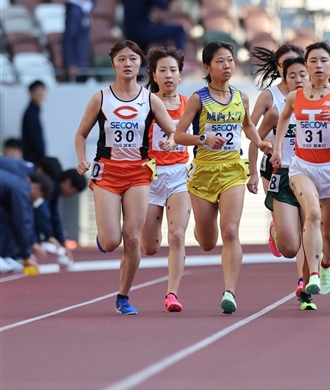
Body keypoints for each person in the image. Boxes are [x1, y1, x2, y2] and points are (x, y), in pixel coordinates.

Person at [74, 40, 178, 315]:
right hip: (107, 172)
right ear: (113, 64)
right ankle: (104, 235)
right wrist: (82, 159)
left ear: (140, 64)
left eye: (133, 59)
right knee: (111, 242)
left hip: (138, 173)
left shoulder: (149, 99)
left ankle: (123, 296)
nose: (128, 63)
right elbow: (81, 134)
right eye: (122, 59)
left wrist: (169, 141)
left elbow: (172, 131)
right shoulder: (101, 98)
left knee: (132, 238)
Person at [175, 41, 271, 314]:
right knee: (207, 242)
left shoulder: (241, 96)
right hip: (204, 172)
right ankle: (200, 229)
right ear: (207, 67)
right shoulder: (198, 98)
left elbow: (248, 126)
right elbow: (179, 135)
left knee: (230, 231)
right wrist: (203, 138)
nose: (226, 66)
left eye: (230, 60)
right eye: (220, 61)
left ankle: (229, 291)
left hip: (232, 169)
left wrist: (261, 143)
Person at [271, 41, 330, 310]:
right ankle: (311, 274)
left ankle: (325, 263)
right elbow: (283, 119)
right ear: (306, 65)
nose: (319, 66)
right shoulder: (295, 96)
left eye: (324, 61)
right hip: (302, 168)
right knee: (312, 213)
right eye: (313, 61)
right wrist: (277, 149)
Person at [246, 43, 307, 297]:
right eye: (285, 65)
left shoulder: (315, 95)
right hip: (275, 167)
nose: (293, 71)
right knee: (291, 233)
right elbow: (253, 132)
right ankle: (278, 226)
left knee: (308, 228)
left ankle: (304, 281)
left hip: (307, 168)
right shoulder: (271, 98)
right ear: (279, 69)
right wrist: (253, 169)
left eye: (297, 64)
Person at [256, 56, 318, 309]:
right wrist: (266, 148)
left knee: (310, 230)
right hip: (282, 176)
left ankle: (307, 286)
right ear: (285, 79)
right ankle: (277, 230)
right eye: (292, 76)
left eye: (303, 74)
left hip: (312, 175)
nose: (298, 79)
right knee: (290, 247)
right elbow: (256, 138)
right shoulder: (277, 111)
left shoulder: (324, 105)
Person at [140, 46, 191, 313]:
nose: (168, 75)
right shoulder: (144, 104)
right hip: (149, 177)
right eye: (163, 71)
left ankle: (172, 294)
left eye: (173, 70)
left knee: (178, 235)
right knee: (148, 246)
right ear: (154, 75)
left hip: (179, 176)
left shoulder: (189, 105)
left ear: (181, 75)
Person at [0, 171, 51, 274]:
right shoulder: (22, 191)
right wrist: (26, 254)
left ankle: (4, 257)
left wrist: (32, 242)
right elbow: (20, 222)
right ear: (37, 187)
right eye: (40, 196)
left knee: (4, 217)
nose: (37, 199)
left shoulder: (20, 185)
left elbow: (27, 218)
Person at [63, 0, 105, 80]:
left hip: (83, 58)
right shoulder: (74, 12)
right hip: (77, 61)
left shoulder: (83, 7)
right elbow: (70, 37)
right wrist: (71, 63)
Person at [22, 80, 46, 164]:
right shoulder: (30, 112)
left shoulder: (35, 110)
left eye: (42, 91)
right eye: (37, 91)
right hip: (33, 157)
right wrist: (41, 155)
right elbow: (33, 136)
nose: (40, 94)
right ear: (31, 93)